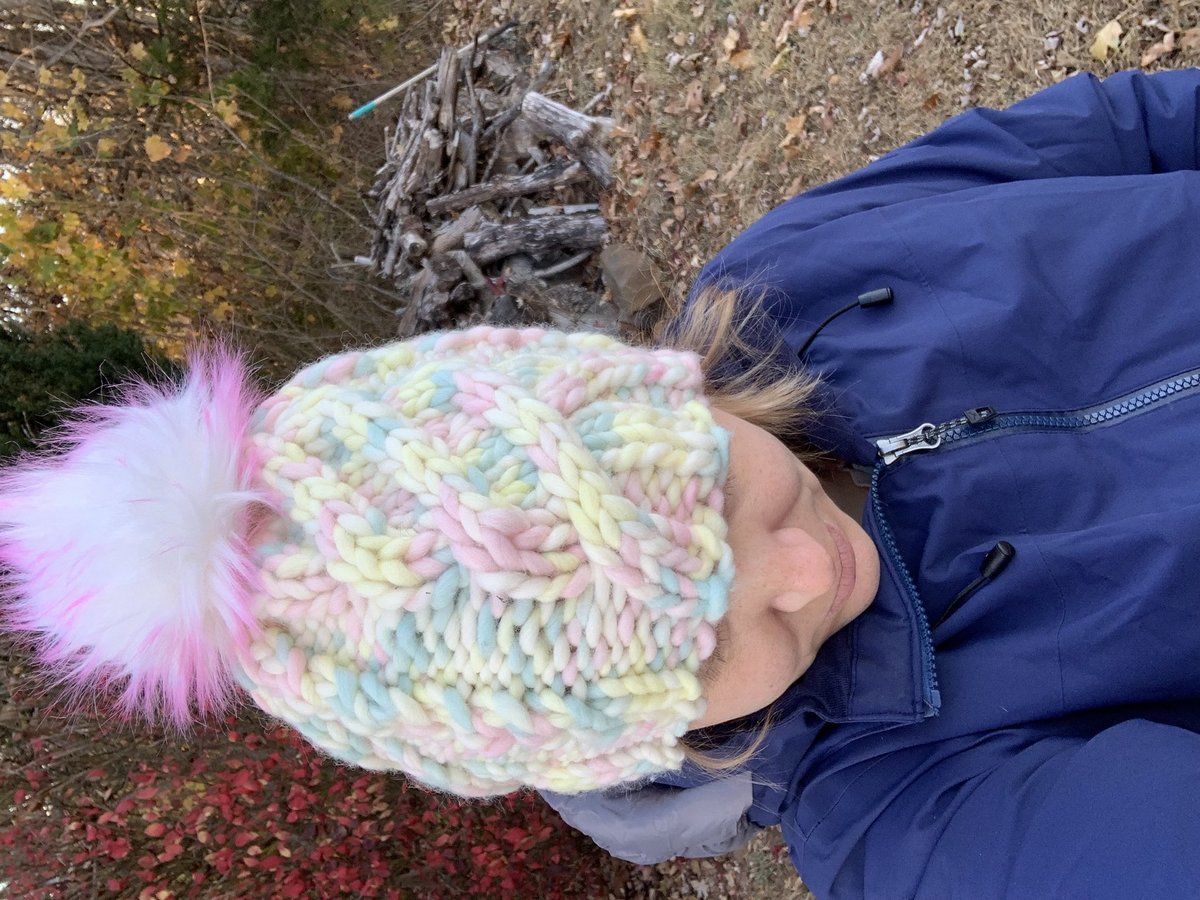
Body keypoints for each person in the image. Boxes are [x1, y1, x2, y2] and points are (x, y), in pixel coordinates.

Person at [2, 66, 1199, 898]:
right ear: (642, 730)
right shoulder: (924, 825)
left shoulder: (802, 276)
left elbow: (1122, 131)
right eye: (693, 649)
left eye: (716, 498)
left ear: (650, 399)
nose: (803, 567)